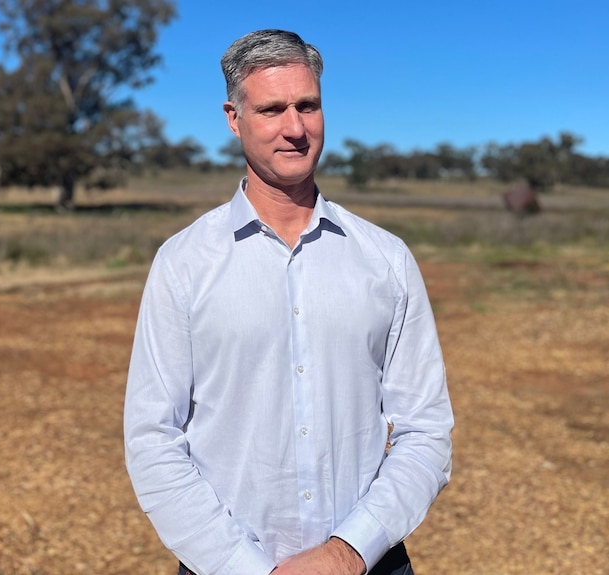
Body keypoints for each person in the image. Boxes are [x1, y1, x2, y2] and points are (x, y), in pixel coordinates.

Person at [124, 29, 453, 575]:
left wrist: (348, 552)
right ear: (234, 118)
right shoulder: (182, 264)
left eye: (308, 105)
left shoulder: (386, 259)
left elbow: (425, 429)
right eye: (272, 108)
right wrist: (240, 566)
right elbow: (153, 439)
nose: (295, 128)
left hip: (368, 565)